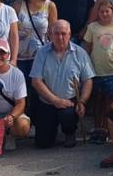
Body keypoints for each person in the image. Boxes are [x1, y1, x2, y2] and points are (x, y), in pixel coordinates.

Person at [30, 20, 95, 148]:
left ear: (70, 34)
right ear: (50, 34)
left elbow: (88, 80)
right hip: (47, 101)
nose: (60, 37)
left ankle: (69, 132)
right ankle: (50, 131)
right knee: (43, 143)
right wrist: (55, 100)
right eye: (56, 33)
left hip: (69, 102)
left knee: (68, 114)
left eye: (64, 34)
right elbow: (36, 81)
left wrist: (82, 101)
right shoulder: (41, 52)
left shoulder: (80, 53)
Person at [83, 1, 113, 144]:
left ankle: (107, 128)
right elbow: (87, 47)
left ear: (112, 12)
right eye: (102, 12)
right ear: (98, 13)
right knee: (97, 101)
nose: (105, 14)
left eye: (107, 11)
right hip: (96, 71)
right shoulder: (92, 27)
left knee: (110, 102)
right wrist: (85, 67)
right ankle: (97, 128)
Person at [15, 0, 57, 87]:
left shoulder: (50, 6)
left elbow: (53, 34)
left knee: (39, 92)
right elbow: (12, 33)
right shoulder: (18, 6)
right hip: (20, 58)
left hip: (40, 57)